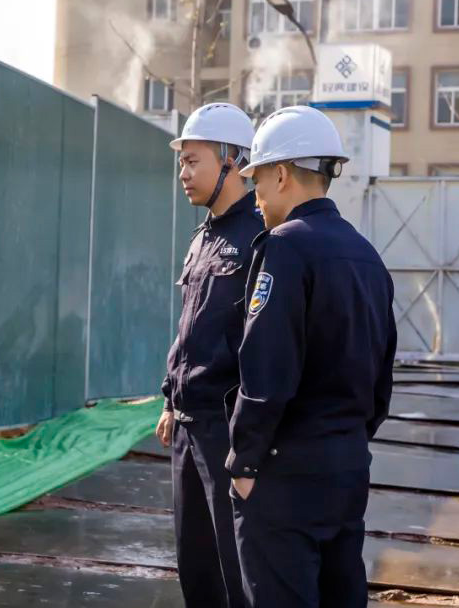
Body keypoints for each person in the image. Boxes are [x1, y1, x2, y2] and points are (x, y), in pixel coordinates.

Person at [225, 106, 396, 608]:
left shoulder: (285, 248)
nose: (255, 196)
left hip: (285, 475)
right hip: (347, 468)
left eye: (257, 180)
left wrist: (244, 462)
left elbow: (266, 370)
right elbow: (382, 375)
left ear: (281, 175)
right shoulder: (367, 255)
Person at [159, 102, 260, 608]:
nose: (183, 173)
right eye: (182, 161)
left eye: (192, 161)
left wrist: (250, 446)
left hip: (227, 430)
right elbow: (189, 329)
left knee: (235, 570)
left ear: (231, 161)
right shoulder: (204, 237)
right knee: (195, 567)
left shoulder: (261, 237)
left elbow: (264, 350)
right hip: (187, 426)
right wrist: (169, 399)